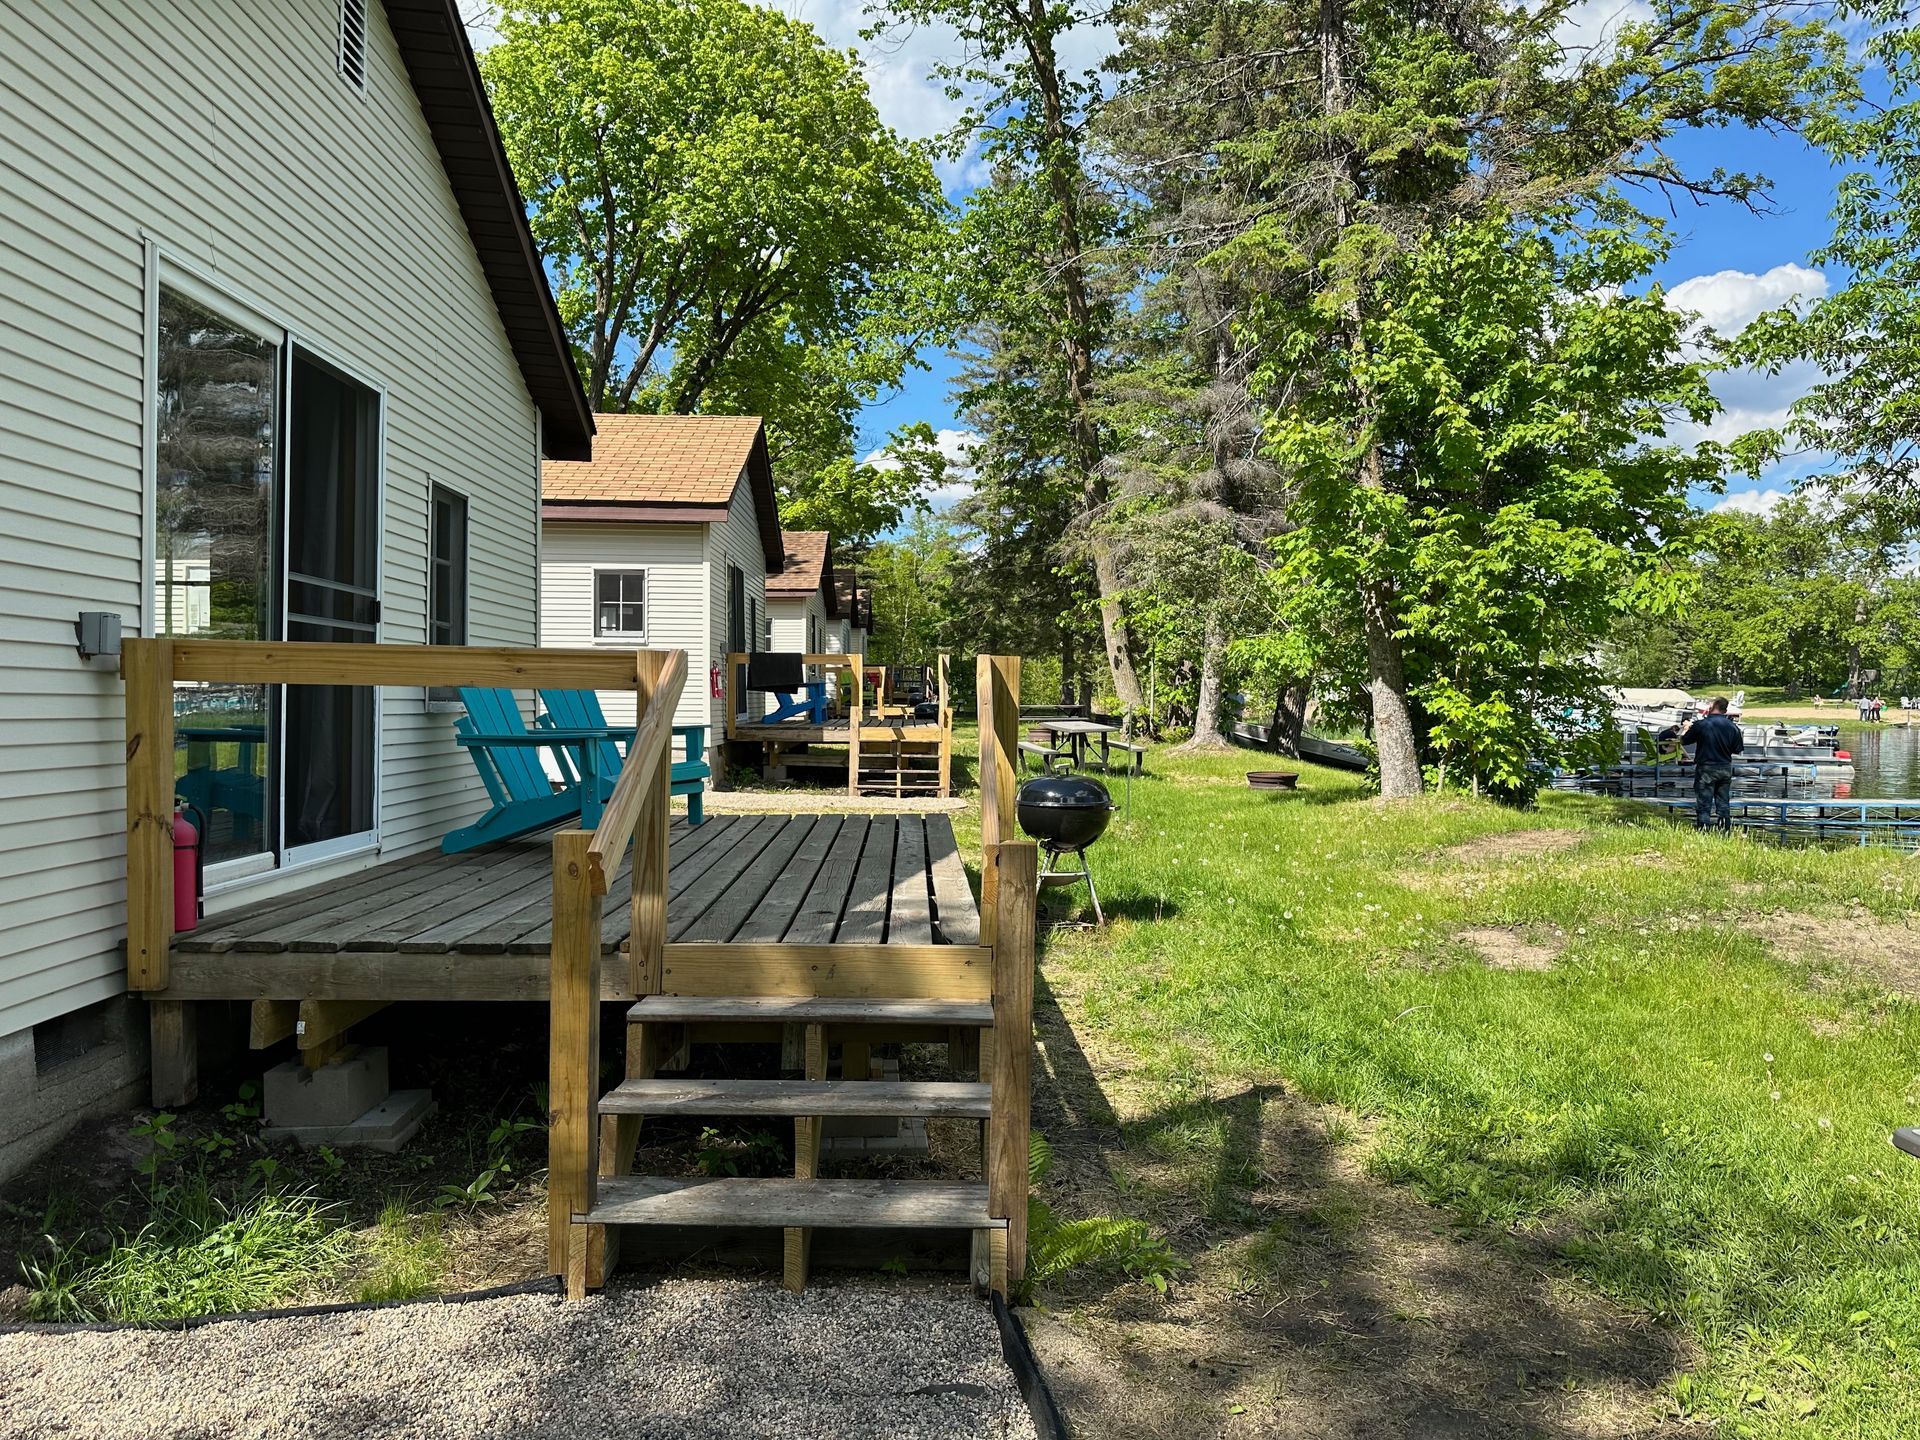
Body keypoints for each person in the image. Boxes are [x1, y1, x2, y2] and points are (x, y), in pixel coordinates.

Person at [1681, 697, 1745, 834]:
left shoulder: (1701, 724)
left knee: (1704, 803)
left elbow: (1684, 741)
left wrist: (1686, 729)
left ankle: (1704, 832)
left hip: (1706, 768)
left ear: (1712, 706)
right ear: (1725, 710)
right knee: (1723, 803)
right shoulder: (1733, 727)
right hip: (1725, 767)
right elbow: (1738, 749)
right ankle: (1725, 832)